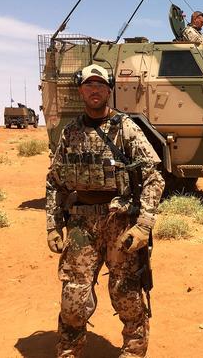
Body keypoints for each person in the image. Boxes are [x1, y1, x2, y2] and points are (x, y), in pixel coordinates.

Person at [45, 64, 165, 358]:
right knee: (73, 296)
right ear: (81, 90)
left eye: (100, 85)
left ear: (109, 90)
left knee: (126, 292)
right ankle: (69, 351)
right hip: (81, 223)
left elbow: (154, 177)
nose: (94, 90)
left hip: (119, 222)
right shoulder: (70, 133)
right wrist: (52, 224)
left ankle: (134, 351)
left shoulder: (125, 128)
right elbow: (54, 181)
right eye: (89, 85)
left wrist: (143, 224)